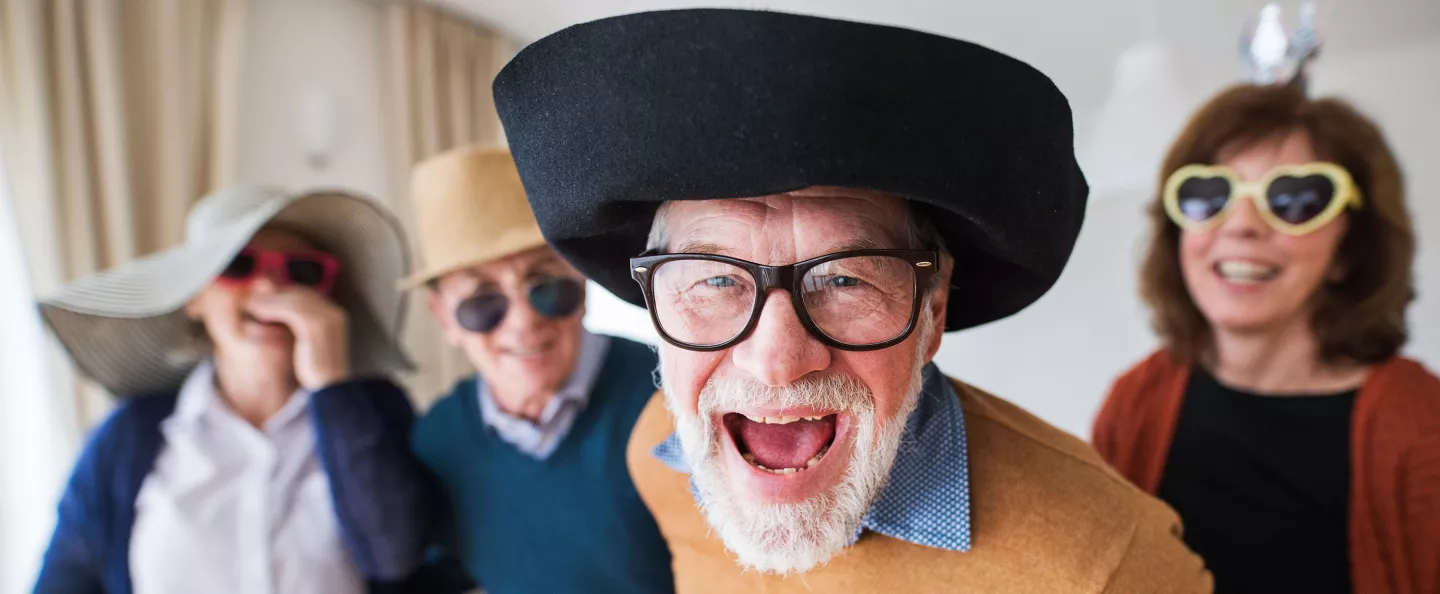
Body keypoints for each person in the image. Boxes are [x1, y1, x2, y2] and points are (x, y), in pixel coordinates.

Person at [492, 9, 1213, 593]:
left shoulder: (1111, 566)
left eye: (843, 279)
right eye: (713, 277)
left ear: (931, 313)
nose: (776, 363)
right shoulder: (664, 455)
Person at [1093, 84, 1440, 594]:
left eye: (1294, 200)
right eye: (1209, 195)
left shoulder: (1422, 426)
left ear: (1349, 251)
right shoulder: (1137, 400)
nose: (1242, 226)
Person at [33, 186, 432, 593]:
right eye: (238, 264)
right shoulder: (131, 434)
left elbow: (394, 555)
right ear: (195, 297)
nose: (270, 287)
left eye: (302, 271)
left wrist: (332, 384)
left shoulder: (376, 412)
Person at [402, 146, 673, 594]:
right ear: (443, 318)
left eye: (546, 286)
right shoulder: (439, 440)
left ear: (583, 285)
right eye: (482, 300)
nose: (524, 321)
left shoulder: (669, 396)